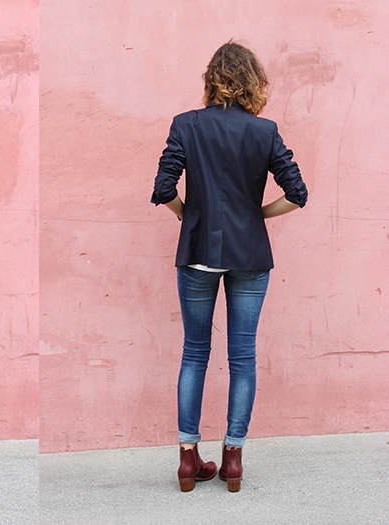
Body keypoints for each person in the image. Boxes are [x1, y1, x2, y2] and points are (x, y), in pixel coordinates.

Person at [150, 41, 307, 492]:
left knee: (194, 353)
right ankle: (233, 459)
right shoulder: (264, 131)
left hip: (198, 251)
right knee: (243, 356)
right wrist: (257, 217)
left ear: (211, 80)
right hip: (250, 255)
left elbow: (163, 189)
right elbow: (297, 194)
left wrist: (187, 214)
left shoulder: (185, 124)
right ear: (252, 81)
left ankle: (188, 459)